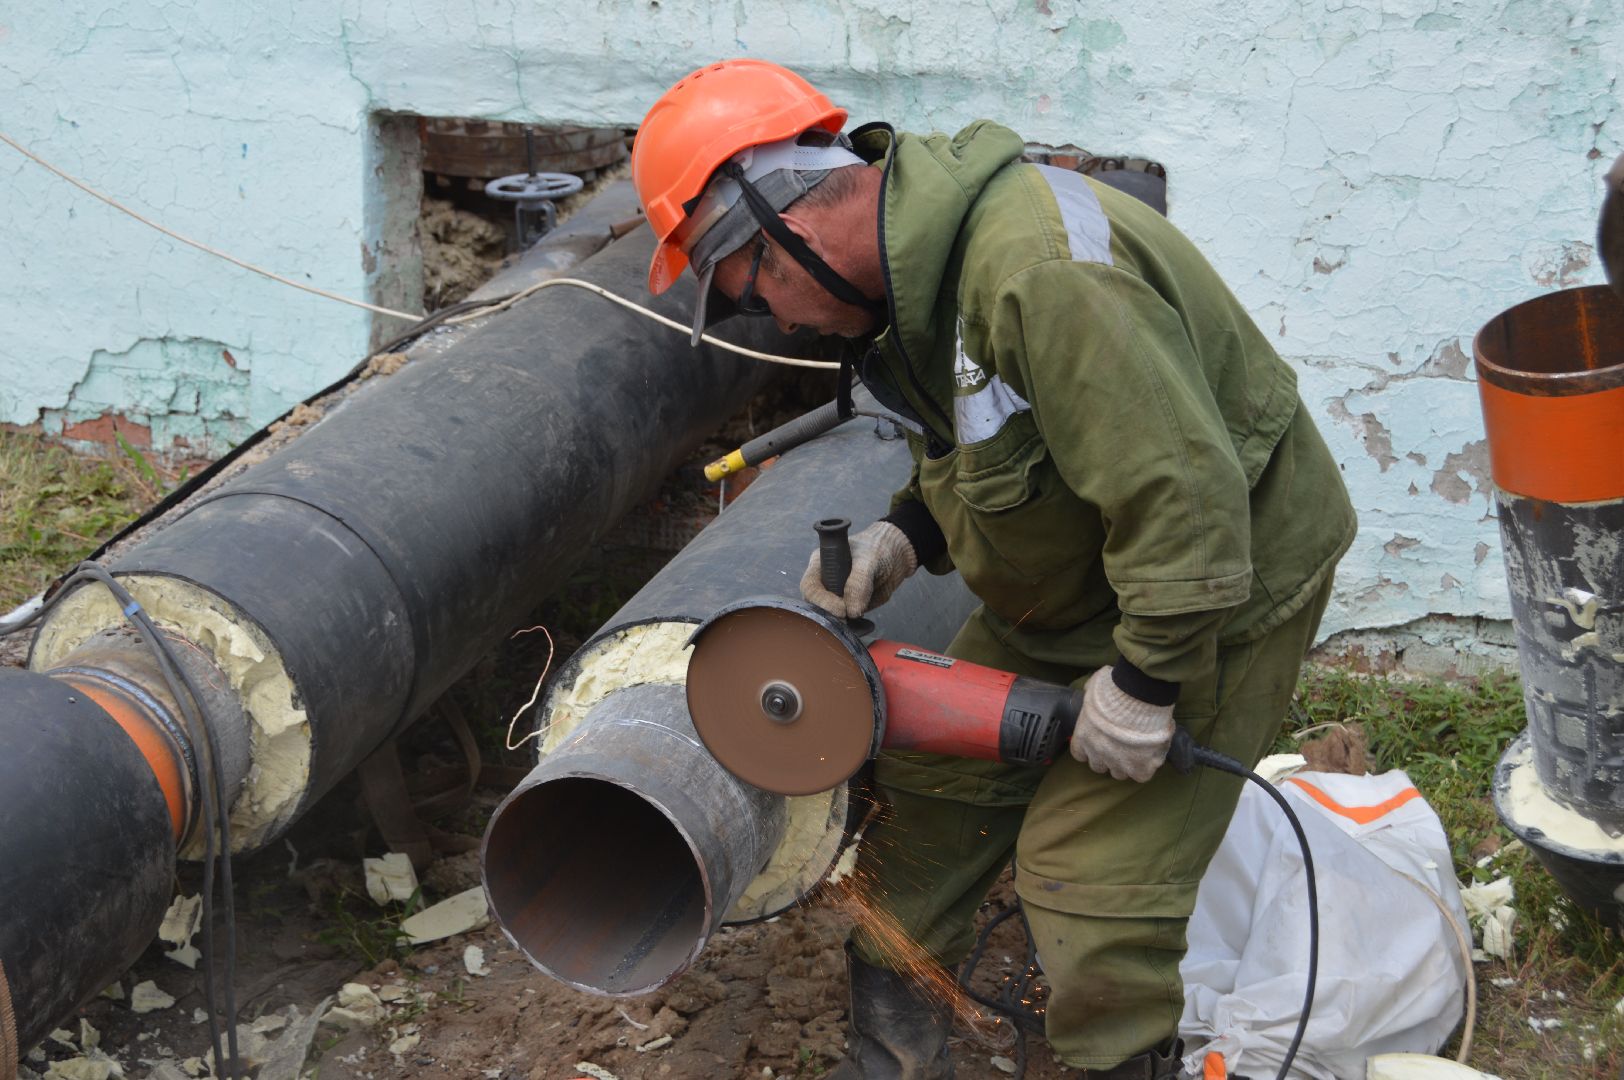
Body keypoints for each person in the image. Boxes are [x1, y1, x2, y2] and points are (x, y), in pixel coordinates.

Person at [632, 59, 1356, 1080]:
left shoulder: (1038, 270)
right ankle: (893, 1050)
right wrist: (907, 537)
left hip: (1213, 580)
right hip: (1076, 571)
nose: (778, 322)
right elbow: (997, 442)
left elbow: (1181, 500)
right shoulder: (924, 280)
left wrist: (1145, 687)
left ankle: (1122, 1058)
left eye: (753, 293)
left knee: (1086, 878)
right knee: (925, 797)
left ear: (784, 221)